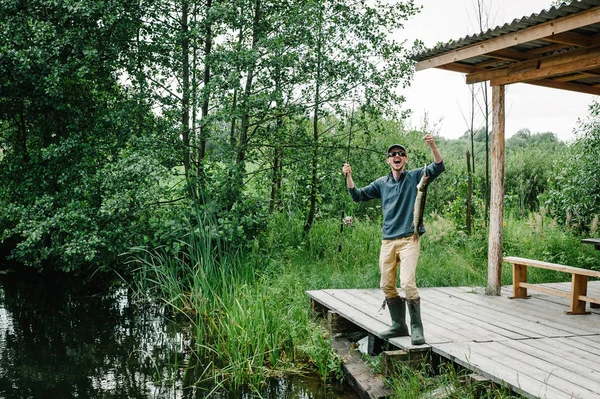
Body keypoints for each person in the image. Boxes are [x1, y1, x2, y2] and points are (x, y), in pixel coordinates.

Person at [342, 134, 444, 345]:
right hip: (387, 241)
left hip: (410, 238)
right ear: (388, 160)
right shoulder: (381, 183)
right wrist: (348, 176)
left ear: (405, 159)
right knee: (386, 285)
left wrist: (433, 146)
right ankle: (399, 325)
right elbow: (357, 195)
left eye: (401, 154)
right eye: (393, 155)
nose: (397, 156)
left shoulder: (416, 177)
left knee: (407, 283)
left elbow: (438, 166)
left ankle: (416, 327)